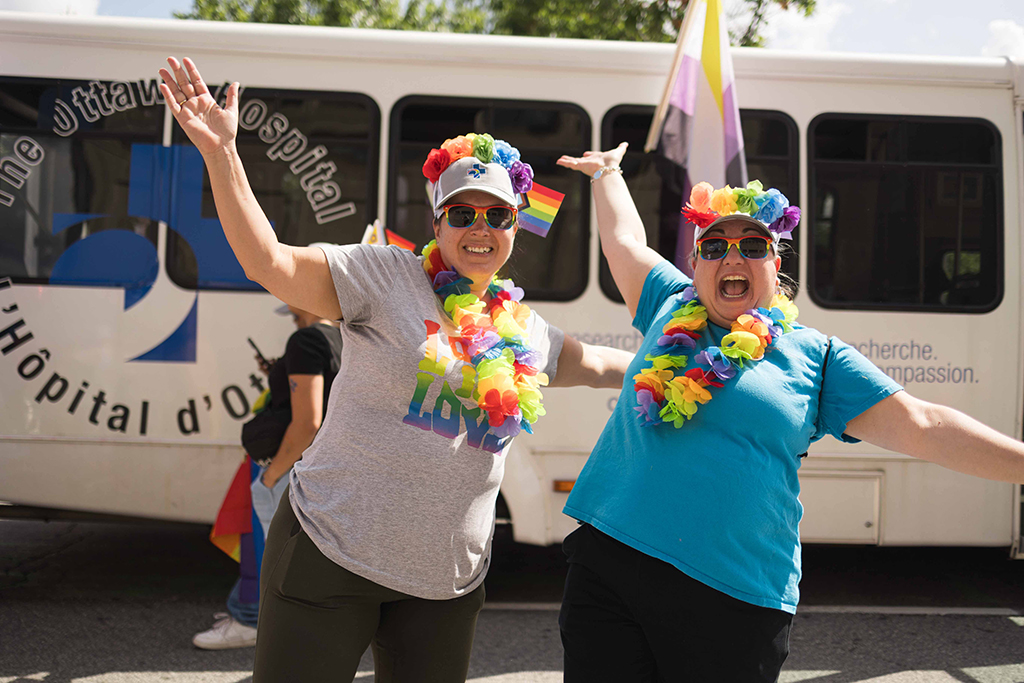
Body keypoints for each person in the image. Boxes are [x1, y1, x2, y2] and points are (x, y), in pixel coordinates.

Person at [158, 57, 633, 682]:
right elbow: (269, 262)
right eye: (461, 214)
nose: (479, 227)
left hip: (445, 586)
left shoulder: (523, 329)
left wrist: (697, 353)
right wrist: (222, 154)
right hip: (331, 555)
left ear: (516, 226)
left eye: (497, 215)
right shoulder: (384, 276)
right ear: (437, 221)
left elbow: (601, 364)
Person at [554, 143, 1024, 682]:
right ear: (695, 263)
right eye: (714, 247)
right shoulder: (667, 302)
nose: (732, 257)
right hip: (609, 563)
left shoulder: (817, 356)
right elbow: (623, 241)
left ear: (776, 265)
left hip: (731, 594)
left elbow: (926, 427)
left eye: (752, 245)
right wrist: (608, 173)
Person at [193, 303, 342, 650]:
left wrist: (271, 475)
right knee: (303, 552)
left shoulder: (305, 340)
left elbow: (308, 420)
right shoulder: (340, 337)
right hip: (320, 462)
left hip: (290, 462)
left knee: (264, 547)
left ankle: (249, 619)